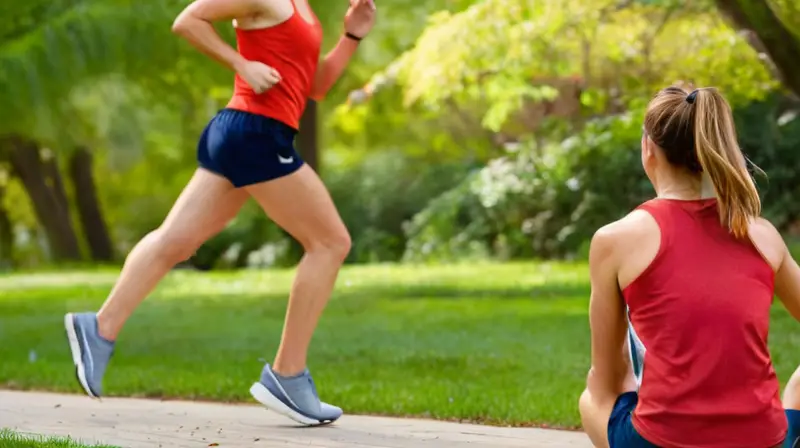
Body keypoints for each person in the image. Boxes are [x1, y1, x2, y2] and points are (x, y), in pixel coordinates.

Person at [63, 0, 376, 426]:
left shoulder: (302, 8)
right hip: (255, 135)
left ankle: (98, 328)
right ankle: (287, 374)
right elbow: (188, 20)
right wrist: (242, 63)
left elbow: (314, 86)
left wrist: (352, 36)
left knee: (176, 240)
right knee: (329, 243)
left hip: (244, 133)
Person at [577, 85, 800, 447]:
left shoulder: (615, 240)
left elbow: (607, 374)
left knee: (593, 397)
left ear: (648, 148)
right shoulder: (761, 234)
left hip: (660, 441)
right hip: (761, 441)